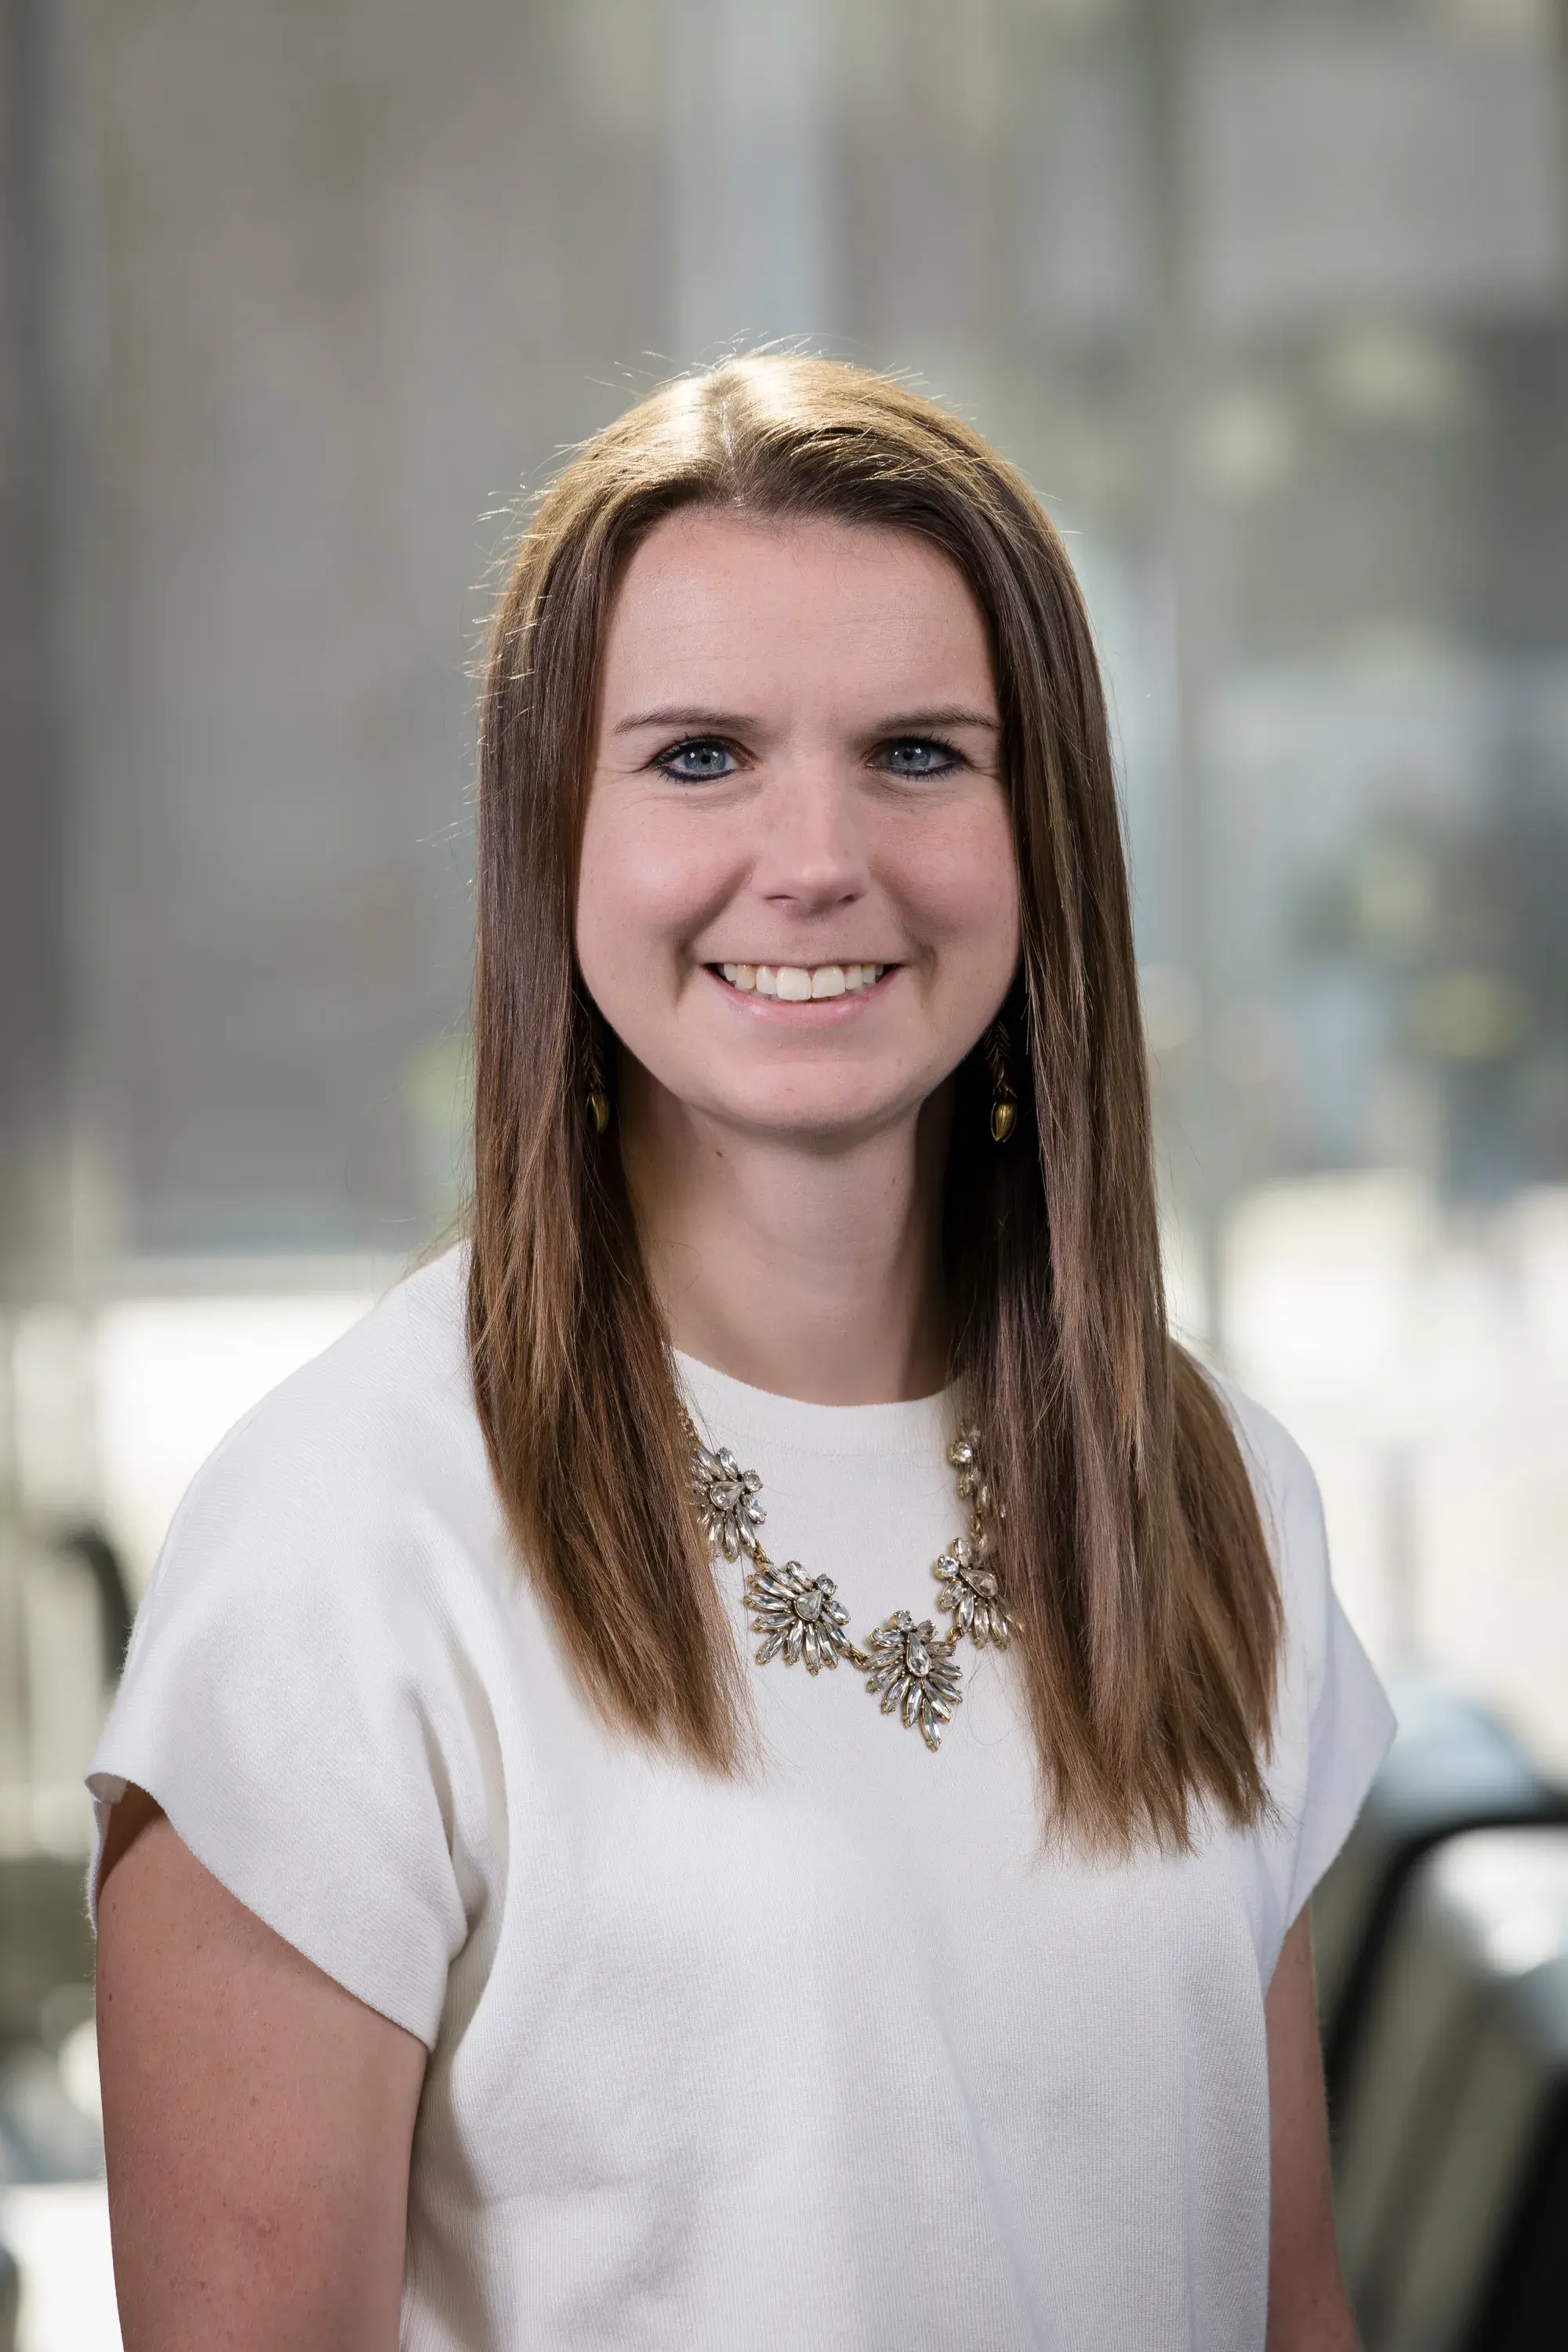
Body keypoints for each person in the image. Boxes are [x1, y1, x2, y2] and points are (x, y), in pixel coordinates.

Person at [90, 355, 1392, 2351]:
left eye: (920, 754)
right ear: (556, 840)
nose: (816, 859)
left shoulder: (1212, 1486)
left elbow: (1288, 2307)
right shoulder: (341, 1549)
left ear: (1041, 835)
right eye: (700, 756)